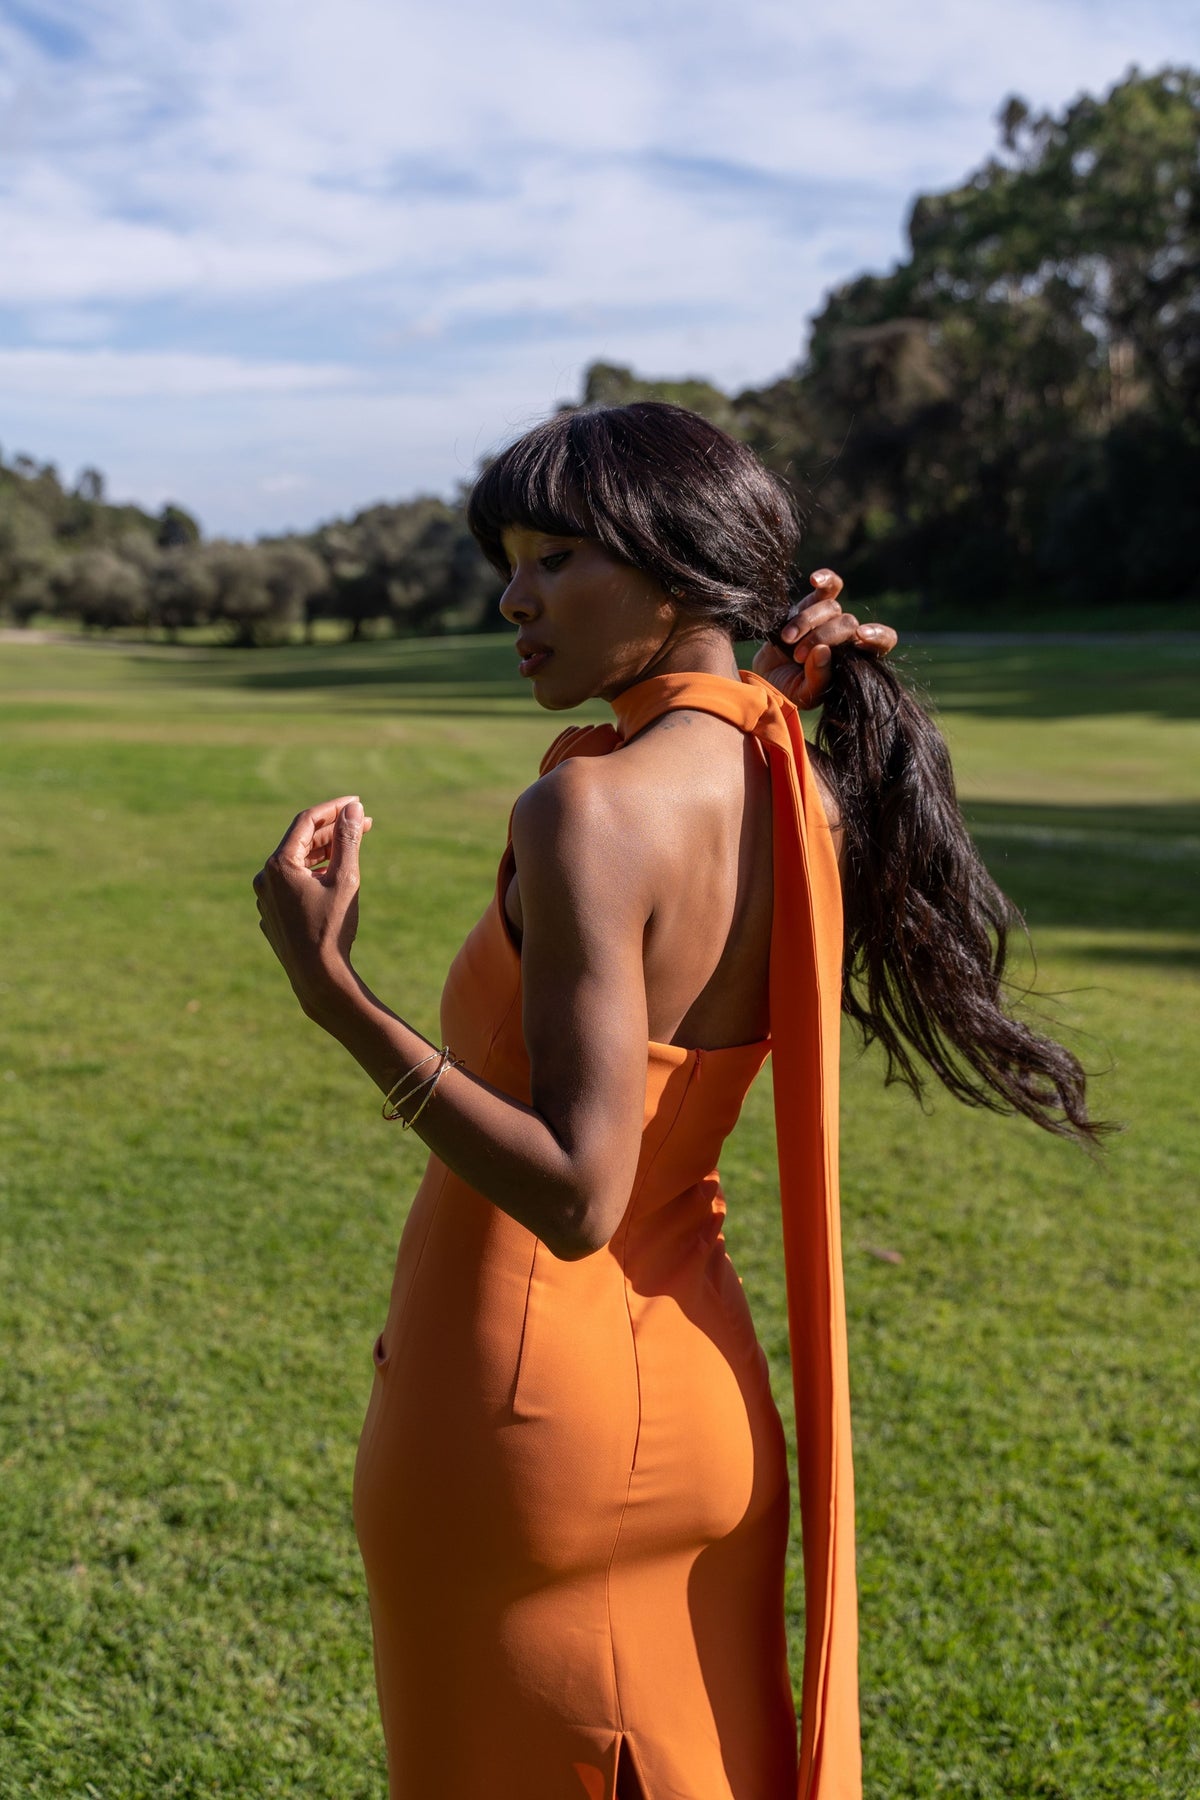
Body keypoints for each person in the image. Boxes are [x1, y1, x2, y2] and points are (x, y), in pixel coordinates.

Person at [253, 402, 1099, 1800]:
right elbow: (722, 751)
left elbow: (580, 1192)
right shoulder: (798, 783)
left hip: (516, 1413)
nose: (511, 596)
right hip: (700, 1401)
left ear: (679, 568)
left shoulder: (586, 816)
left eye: (556, 555)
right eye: (507, 559)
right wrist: (756, 679)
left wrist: (329, 986)